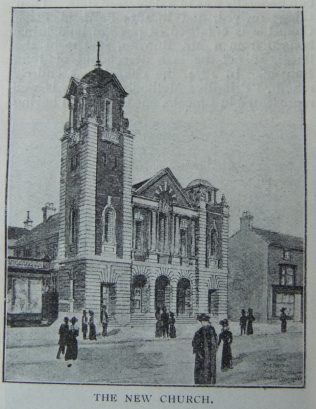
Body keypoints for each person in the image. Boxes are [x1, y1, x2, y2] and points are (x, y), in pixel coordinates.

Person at [192, 313, 218, 385]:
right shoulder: (204, 330)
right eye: (202, 322)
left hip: (206, 352)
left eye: (204, 321)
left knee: (206, 366)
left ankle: (206, 381)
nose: (203, 323)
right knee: (206, 366)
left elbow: (195, 342)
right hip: (206, 352)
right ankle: (206, 381)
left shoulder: (206, 330)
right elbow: (195, 342)